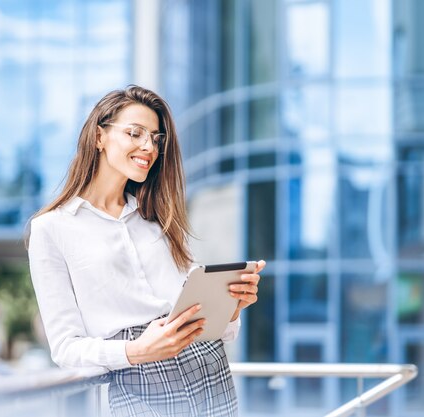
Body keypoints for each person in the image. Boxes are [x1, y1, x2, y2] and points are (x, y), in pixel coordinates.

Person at [27, 85, 265, 417]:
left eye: (155, 138)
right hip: (138, 376)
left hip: (207, 366)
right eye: (135, 133)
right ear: (99, 137)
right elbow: (65, 348)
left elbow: (208, 323)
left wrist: (232, 306)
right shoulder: (51, 228)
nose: (148, 146)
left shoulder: (157, 218)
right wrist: (136, 351)